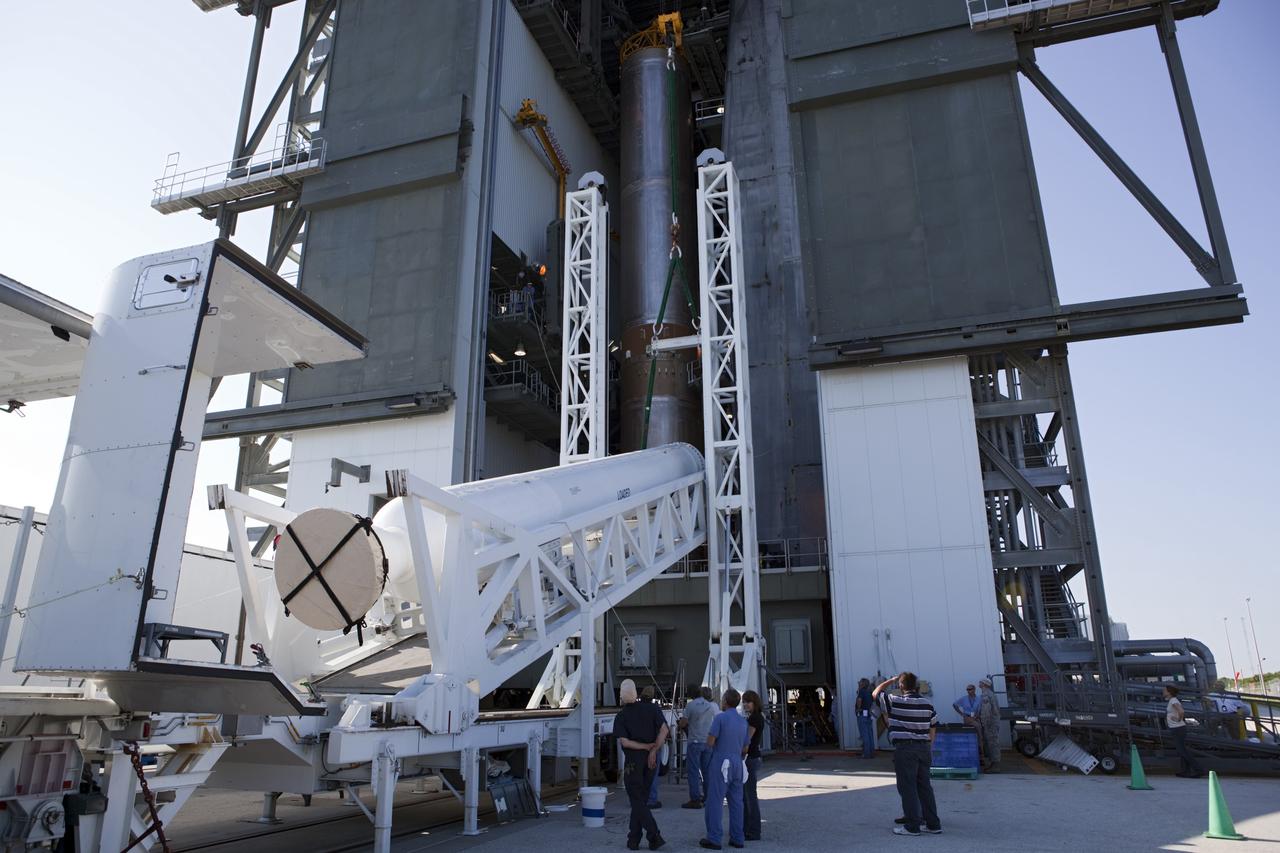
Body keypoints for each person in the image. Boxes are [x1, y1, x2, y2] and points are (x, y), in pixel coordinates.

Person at [873, 672, 941, 837]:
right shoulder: (928, 704)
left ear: (901, 686)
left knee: (908, 787)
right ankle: (933, 824)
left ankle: (912, 825)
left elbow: (875, 693)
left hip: (905, 749)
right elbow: (933, 727)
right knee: (925, 787)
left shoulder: (895, 702)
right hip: (924, 748)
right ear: (917, 686)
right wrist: (928, 744)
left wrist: (891, 680)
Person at [613, 679, 669, 851]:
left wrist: (645, 747)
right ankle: (633, 840)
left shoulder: (621, 716)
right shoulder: (652, 709)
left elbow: (626, 743)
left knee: (636, 801)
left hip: (633, 763)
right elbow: (664, 730)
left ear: (621, 697)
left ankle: (654, 835)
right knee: (642, 800)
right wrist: (653, 750)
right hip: (651, 761)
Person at [700, 688, 749, 850]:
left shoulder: (720, 719)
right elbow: (745, 747)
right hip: (737, 762)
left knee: (715, 801)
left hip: (721, 761)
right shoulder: (743, 721)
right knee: (736, 802)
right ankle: (737, 838)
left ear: (725, 702)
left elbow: (711, 741)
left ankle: (714, 838)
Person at [681, 686, 717, 809]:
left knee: (693, 771)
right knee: (707, 771)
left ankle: (695, 799)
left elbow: (684, 723)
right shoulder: (710, 705)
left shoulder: (691, 706)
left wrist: (681, 723)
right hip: (707, 742)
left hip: (695, 742)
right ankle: (708, 797)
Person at [1164, 685, 1203, 778]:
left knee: (1182, 750)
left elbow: (1181, 711)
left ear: (1169, 692)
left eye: (1164, 690)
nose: (1163, 692)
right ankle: (1185, 771)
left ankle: (1198, 769)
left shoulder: (1173, 700)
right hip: (1176, 728)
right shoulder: (1172, 700)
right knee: (1181, 750)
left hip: (1178, 728)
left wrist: (1178, 719)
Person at [742, 690, 766, 841]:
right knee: (747, 795)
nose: (745, 704)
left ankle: (753, 830)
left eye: (748, 701)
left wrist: (740, 754)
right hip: (753, 758)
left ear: (755, 703)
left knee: (749, 796)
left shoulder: (754, 719)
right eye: (744, 701)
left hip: (750, 758)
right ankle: (748, 828)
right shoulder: (755, 717)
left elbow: (747, 740)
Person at [642, 686, 664, 809]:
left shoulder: (635, 708)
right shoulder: (655, 709)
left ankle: (638, 799)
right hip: (653, 745)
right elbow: (663, 727)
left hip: (639, 746)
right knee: (653, 774)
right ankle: (651, 800)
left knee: (639, 774)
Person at [976, 679, 1001, 772]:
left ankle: (996, 765)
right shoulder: (988, 694)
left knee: (993, 743)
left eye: (980, 682)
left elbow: (987, 711)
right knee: (990, 743)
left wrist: (985, 723)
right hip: (990, 723)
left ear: (984, 684)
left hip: (990, 723)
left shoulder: (986, 694)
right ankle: (993, 764)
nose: (979, 683)